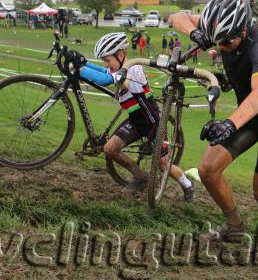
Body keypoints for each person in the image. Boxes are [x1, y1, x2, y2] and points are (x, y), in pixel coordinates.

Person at [168, 0, 258, 244]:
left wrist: (230, 123)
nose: (220, 46)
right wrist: (195, 32)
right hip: (248, 115)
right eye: (216, 41)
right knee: (208, 170)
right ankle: (235, 226)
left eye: (225, 42)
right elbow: (176, 16)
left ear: (243, 30)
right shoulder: (221, 28)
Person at [76, 32, 196, 201]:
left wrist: (80, 70)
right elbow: (105, 71)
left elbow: (104, 78)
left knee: (163, 165)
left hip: (153, 124)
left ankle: (187, 185)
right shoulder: (119, 68)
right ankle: (141, 177)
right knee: (109, 149)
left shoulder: (134, 69)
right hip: (135, 121)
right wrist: (84, 62)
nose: (106, 64)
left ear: (121, 55)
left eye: (108, 60)